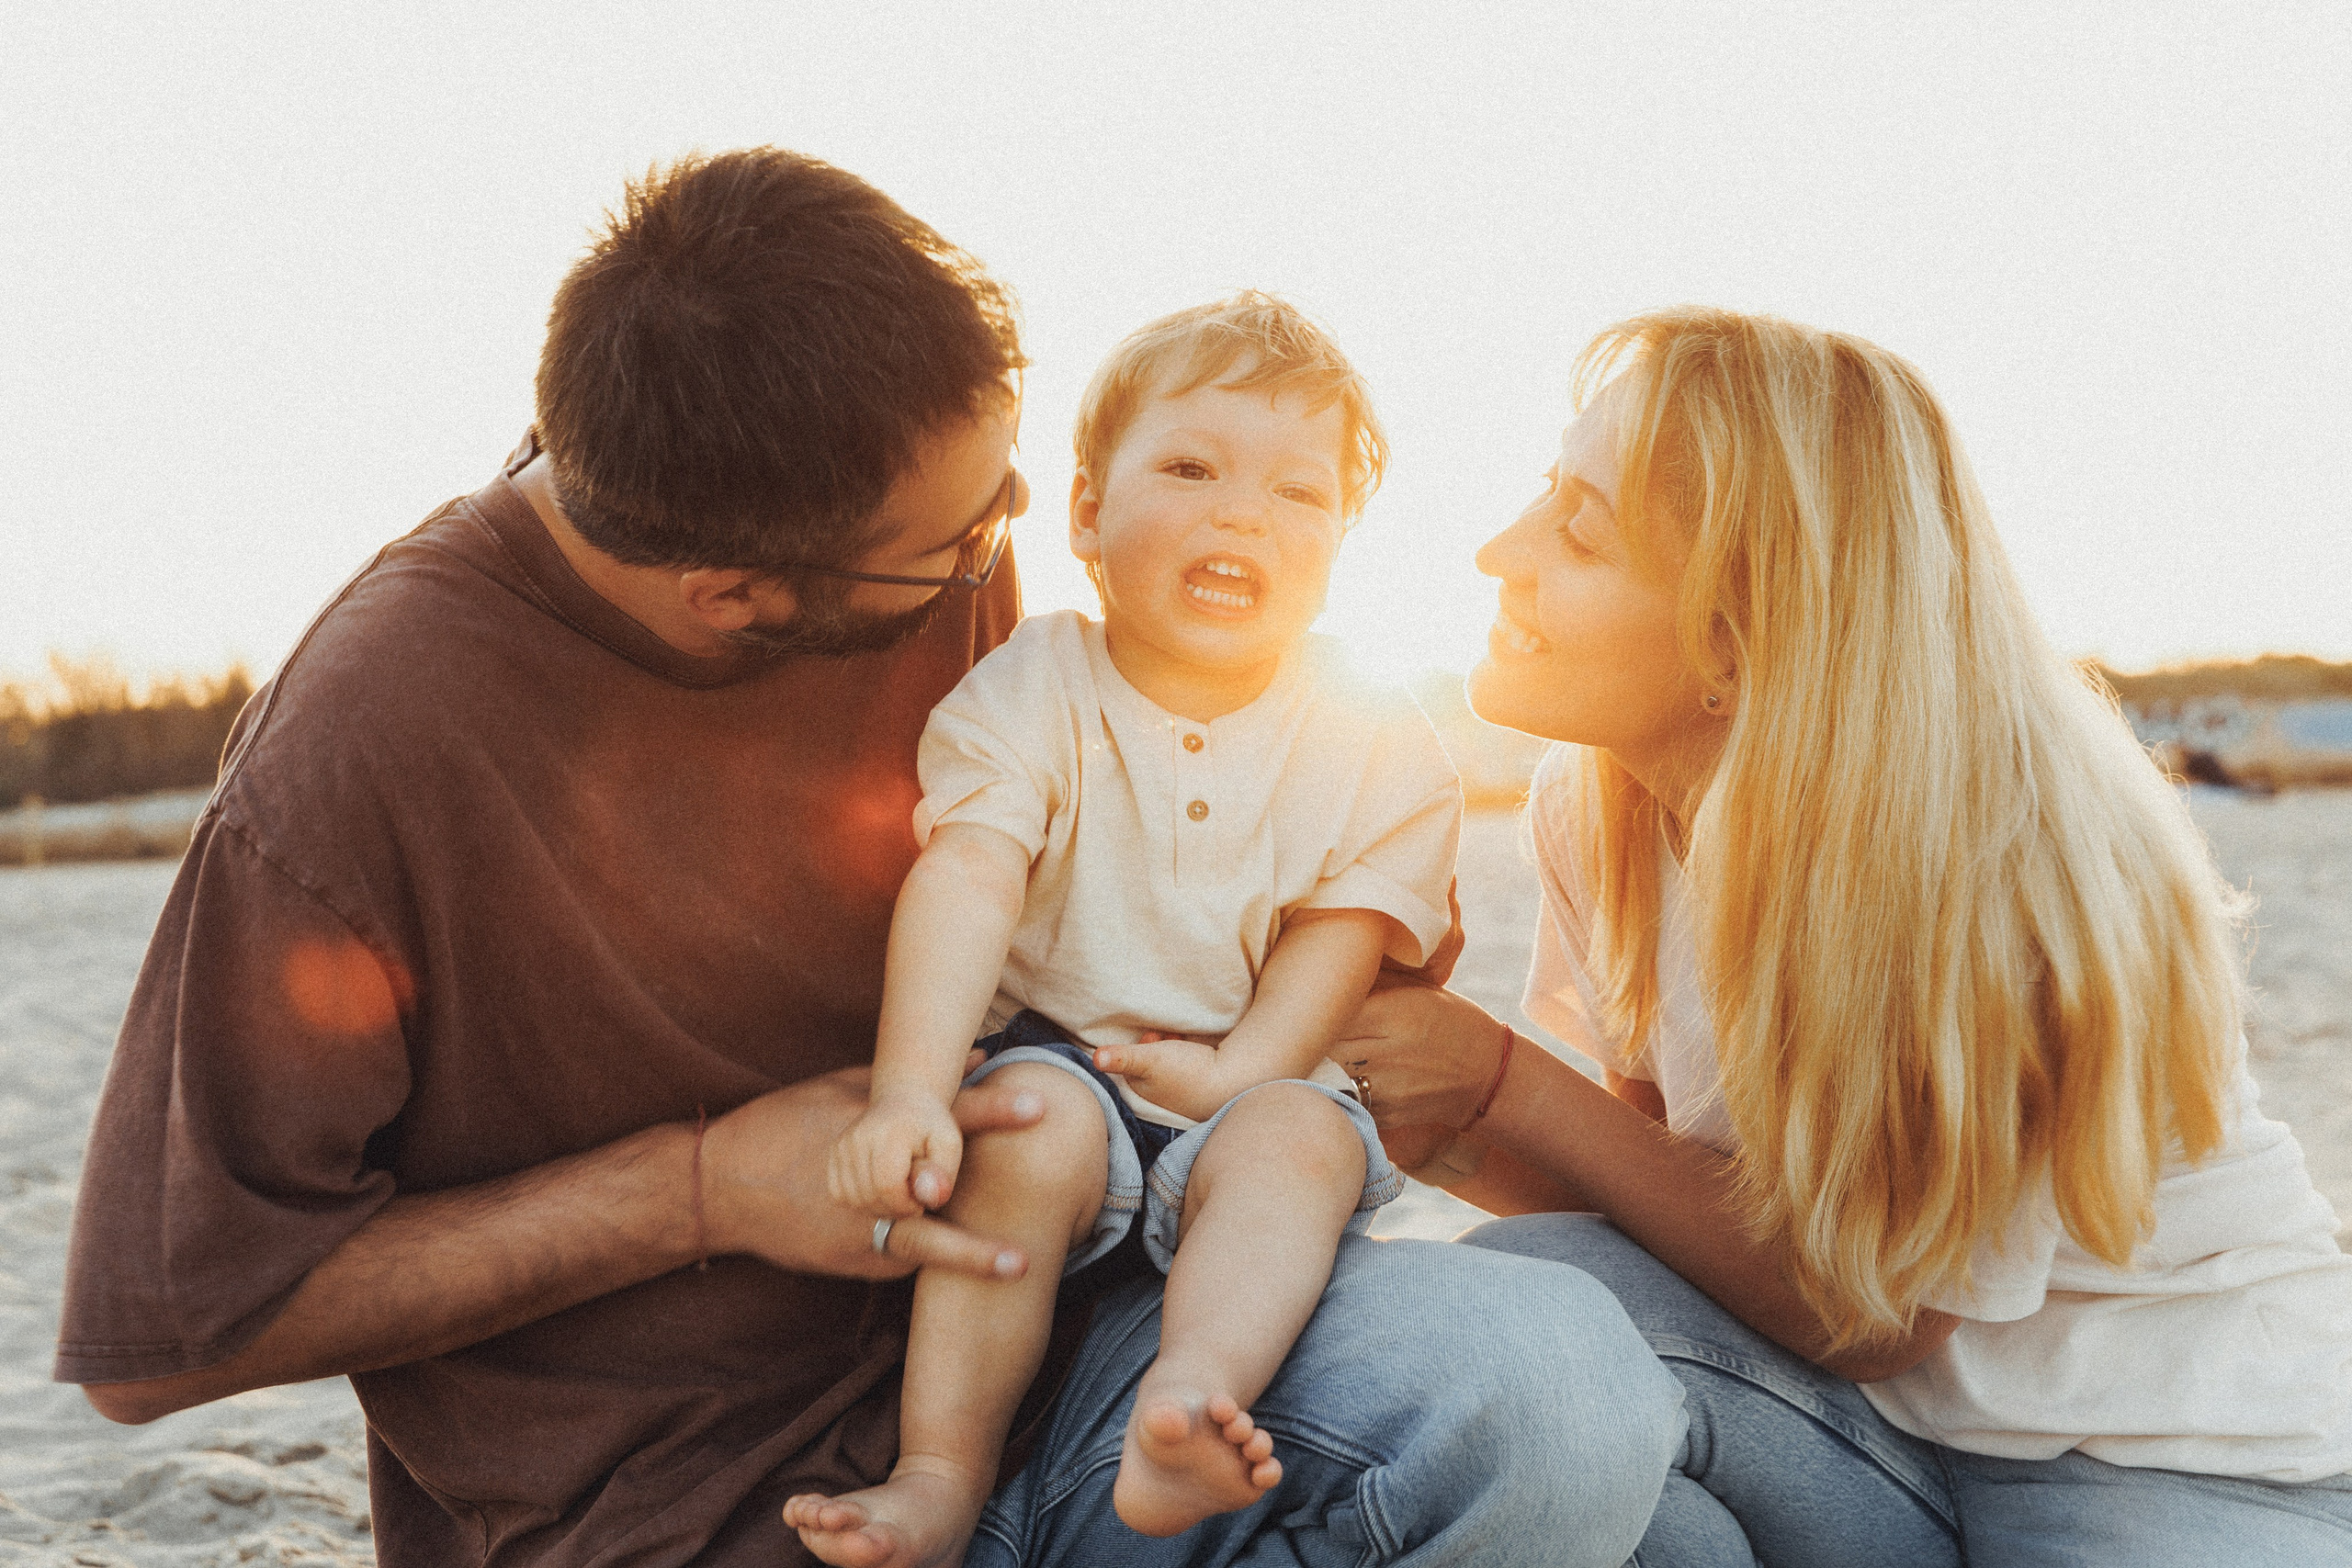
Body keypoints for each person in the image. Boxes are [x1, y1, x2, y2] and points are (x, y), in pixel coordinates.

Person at [54, 149, 1684, 1567]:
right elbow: (164, 1334)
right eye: (964, 543)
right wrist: (696, 1191)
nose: (1016, 545)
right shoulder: (356, 757)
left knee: (1571, 1405)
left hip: (1094, 1375)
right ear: (736, 597)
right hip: (704, 1513)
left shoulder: (929, 546)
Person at [1335, 306, 2352, 1565]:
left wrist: (1498, 1080)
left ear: (1738, 631)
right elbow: (1651, 1201)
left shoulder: (1992, 853)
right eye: (1549, 490)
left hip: (2177, 1469)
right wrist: (1417, 1100)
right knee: (1544, 1323)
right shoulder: (1597, 803)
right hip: (1879, 1438)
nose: (1501, 550)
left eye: (1580, 532)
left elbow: (1879, 1312)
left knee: (1555, 1309)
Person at [785, 296, 1463, 1566]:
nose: (1243, 514)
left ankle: (1184, 1407)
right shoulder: (1035, 684)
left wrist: (1243, 1070)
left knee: (1301, 1145)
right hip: (1065, 1059)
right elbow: (969, 876)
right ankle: (940, 1474)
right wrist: (911, 1093)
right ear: (1088, 516)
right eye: (1192, 468)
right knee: (1023, 1133)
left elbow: (1342, 934)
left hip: (1247, 1076)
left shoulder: (1371, 732)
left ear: (1341, 543)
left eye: (1298, 491)